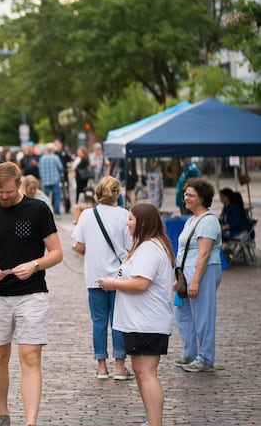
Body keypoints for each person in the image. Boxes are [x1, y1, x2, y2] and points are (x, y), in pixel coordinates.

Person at [0, 162, 63, 426]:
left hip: (32, 293)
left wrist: (34, 265)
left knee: (30, 356)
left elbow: (57, 253)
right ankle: (3, 413)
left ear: (19, 184)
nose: (4, 197)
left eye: (8, 192)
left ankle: (30, 421)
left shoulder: (38, 209)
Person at [96, 202, 176, 426]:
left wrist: (112, 283)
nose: (127, 223)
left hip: (146, 322)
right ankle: (152, 421)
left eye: (130, 219)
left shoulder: (150, 248)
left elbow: (141, 283)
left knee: (147, 373)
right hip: (139, 321)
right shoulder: (147, 245)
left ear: (142, 222)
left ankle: (155, 422)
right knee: (142, 373)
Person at [72, 176, 133, 380]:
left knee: (98, 322)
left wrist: (93, 255)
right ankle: (119, 367)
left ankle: (101, 367)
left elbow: (79, 246)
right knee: (118, 322)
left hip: (95, 277)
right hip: (119, 277)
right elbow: (129, 248)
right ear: (117, 193)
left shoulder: (87, 215)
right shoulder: (124, 215)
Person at [175, 178, 222, 373]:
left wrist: (195, 280)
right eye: (185, 194)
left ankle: (205, 357)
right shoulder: (192, 219)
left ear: (202, 198)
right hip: (186, 274)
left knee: (203, 315)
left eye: (190, 195)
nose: (186, 197)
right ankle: (190, 353)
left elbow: (204, 253)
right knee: (183, 313)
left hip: (203, 272)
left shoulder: (208, 221)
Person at [39, 143, 64, 217]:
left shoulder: (42, 158)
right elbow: (61, 168)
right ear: (53, 150)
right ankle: (57, 213)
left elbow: (40, 169)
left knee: (45, 197)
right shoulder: (55, 157)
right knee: (56, 197)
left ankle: (44, 212)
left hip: (45, 180)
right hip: (55, 180)